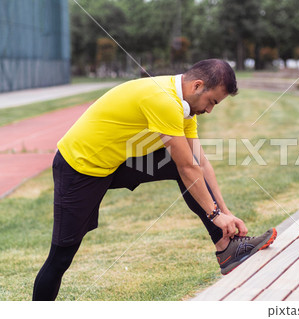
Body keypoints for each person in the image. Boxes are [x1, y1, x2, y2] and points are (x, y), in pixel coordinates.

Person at [32, 59, 277, 301]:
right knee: (61, 257)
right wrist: (215, 214)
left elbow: (200, 163)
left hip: (116, 163)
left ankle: (227, 247)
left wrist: (225, 211)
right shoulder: (164, 100)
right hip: (80, 168)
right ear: (197, 86)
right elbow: (188, 167)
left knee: (180, 164)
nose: (210, 110)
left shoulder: (184, 107)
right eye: (212, 101)